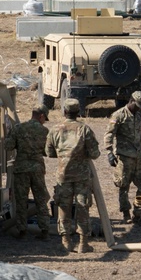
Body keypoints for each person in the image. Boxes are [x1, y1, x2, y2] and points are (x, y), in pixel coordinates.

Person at [45, 98, 101, 253]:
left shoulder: (55, 130)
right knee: (83, 207)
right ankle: (83, 243)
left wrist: (64, 156)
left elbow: (49, 152)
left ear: (64, 111)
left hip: (63, 175)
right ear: (78, 112)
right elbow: (95, 154)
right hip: (82, 176)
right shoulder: (85, 129)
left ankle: (66, 242)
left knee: (63, 207)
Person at [104, 91, 141, 223]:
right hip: (124, 157)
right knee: (123, 186)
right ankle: (126, 214)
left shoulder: (138, 116)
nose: (139, 108)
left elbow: (140, 136)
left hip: (138, 156)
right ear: (131, 101)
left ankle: (140, 211)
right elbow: (109, 134)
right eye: (137, 105)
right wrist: (109, 153)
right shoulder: (118, 115)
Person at [5, 106, 51, 240]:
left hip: (21, 169)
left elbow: (8, 146)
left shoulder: (19, 128)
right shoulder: (44, 131)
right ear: (41, 116)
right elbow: (47, 152)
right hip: (37, 169)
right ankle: (45, 231)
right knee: (41, 200)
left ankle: (23, 232)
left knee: (21, 201)